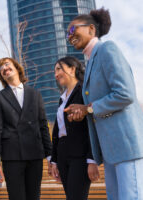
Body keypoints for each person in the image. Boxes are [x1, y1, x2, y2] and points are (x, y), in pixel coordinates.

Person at [64, 8, 143, 200]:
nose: (69, 36)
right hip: (111, 152)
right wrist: (85, 112)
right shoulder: (91, 62)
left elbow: (125, 94)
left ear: (91, 30)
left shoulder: (107, 49)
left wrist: (88, 108)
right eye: (66, 34)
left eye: (72, 30)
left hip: (128, 147)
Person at [0, 57, 52, 200]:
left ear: (17, 68)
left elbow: (43, 126)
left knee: (34, 197)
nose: (4, 69)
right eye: (1, 69)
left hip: (34, 154)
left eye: (7, 64)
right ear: (2, 77)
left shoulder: (35, 94)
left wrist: (50, 156)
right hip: (12, 157)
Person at [50, 56, 99, 200]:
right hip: (63, 154)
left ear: (72, 69)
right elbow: (58, 131)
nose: (56, 74)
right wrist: (55, 161)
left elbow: (93, 127)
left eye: (59, 69)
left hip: (80, 156)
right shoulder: (62, 98)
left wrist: (92, 159)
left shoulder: (85, 92)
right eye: (55, 71)